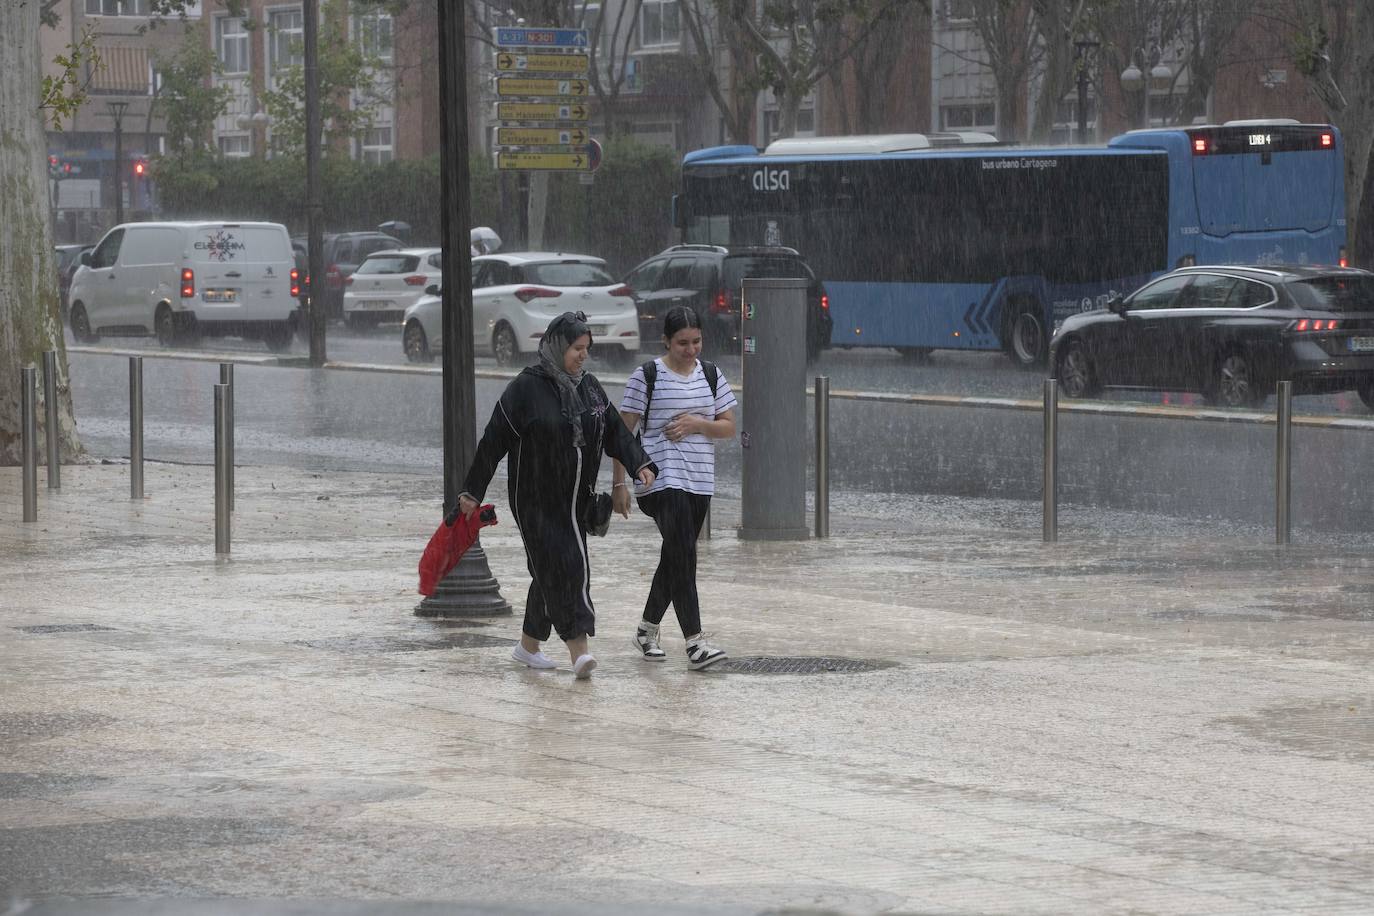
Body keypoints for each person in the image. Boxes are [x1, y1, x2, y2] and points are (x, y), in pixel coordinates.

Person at [458, 311, 656, 679]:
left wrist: (638, 464)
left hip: (573, 502)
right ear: (555, 346)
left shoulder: (589, 387)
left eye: (586, 348)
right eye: (576, 348)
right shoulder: (525, 389)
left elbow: (615, 431)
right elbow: (492, 442)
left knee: (548, 570)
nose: (583, 355)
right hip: (533, 499)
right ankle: (578, 649)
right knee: (570, 567)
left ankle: (528, 646)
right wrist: (473, 490)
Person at [612, 306, 737, 670]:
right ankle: (695, 643)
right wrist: (619, 482)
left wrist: (698, 423)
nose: (691, 349)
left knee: (677, 555)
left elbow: (728, 426)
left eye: (696, 341)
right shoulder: (647, 375)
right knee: (684, 554)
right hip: (659, 480)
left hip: (699, 480)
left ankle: (646, 629)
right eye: (682, 342)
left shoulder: (712, 375)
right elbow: (621, 434)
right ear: (666, 341)